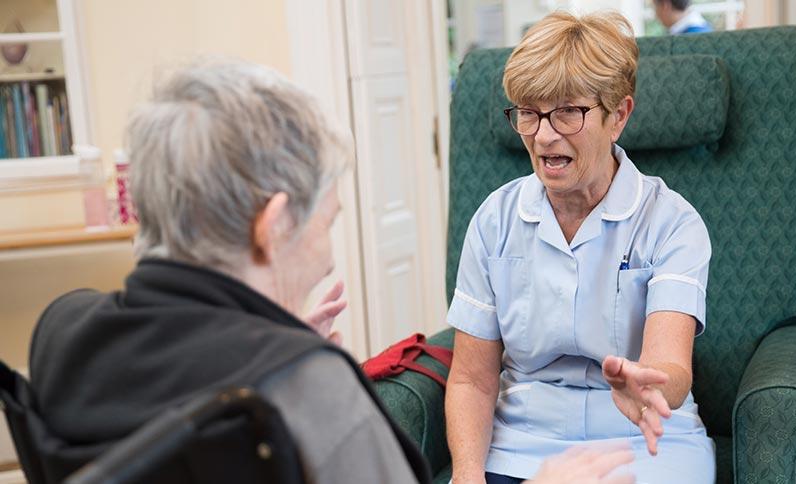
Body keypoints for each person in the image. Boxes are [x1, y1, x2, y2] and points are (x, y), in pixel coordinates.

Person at [28, 60, 633, 484]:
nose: (327, 255)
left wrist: (259, 332)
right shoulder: (309, 392)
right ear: (273, 225)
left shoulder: (61, 331)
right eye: (326, 222)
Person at [445, 11, 716, 484]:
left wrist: (647, 387)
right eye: (529, 112)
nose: (544, 135)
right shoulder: (494, 219)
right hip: (521, 443)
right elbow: (471, 378)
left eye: (569, 110)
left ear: (619, 116)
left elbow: (669, 365)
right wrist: (467, 476)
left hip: (641, 440)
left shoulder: (673, 222)